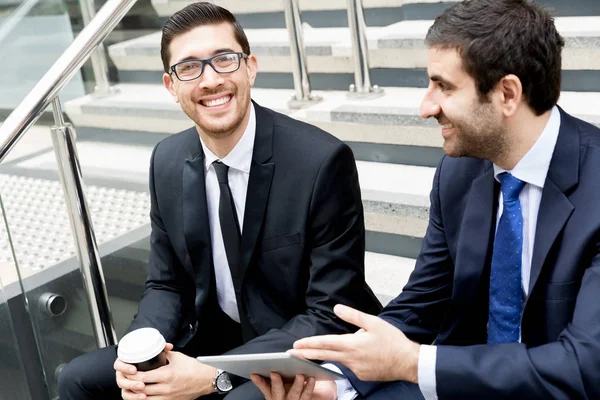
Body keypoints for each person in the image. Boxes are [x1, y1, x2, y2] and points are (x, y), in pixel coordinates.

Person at [251, 0, 600, 399]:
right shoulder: (459, 172)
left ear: (507, 93)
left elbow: (584, 366)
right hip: (459, 381)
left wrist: (413, 363)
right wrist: (337, 379)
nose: (425, 107)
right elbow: (422, 303)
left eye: (444, 86)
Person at [57, 2, 381, 399]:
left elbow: (329, 311)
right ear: (170, 86)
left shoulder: (320, 162)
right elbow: (166, 283)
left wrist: (212, 374)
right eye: (189, 68)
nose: (210, 80)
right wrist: (141, 355)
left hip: (295, 345)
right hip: (209, 337)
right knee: (77, 378)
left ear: (250, 67)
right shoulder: (167, 160)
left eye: (224, 60)